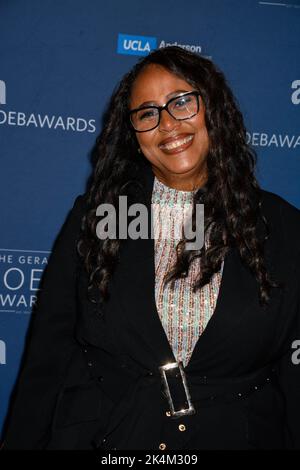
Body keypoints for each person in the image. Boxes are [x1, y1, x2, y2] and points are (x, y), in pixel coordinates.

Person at [2, 46, 300, 450]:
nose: (168, 124)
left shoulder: (283, 227)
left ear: (213, 107)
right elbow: (48, 355)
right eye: (147, 113)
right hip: (112, 436)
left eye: (181, 102)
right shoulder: (101, 216)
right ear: (134, 133)